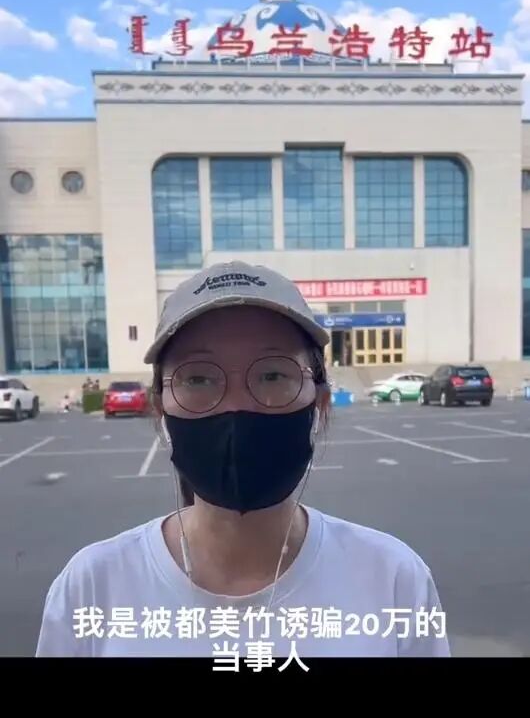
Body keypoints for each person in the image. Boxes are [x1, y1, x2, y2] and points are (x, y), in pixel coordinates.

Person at [36, 261, 450, 659]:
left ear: (320, 403)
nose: (236, 407)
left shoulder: (393, 580)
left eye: (272, 375)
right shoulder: (91, 589)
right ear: (160, 408)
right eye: (198, 378)